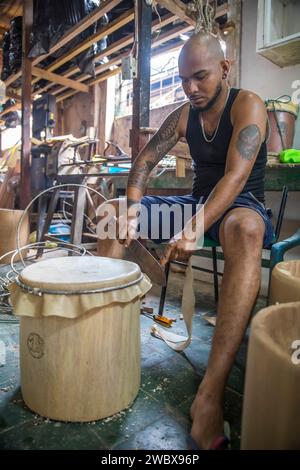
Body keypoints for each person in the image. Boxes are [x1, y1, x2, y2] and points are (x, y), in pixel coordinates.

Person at [99, 32, 273, 450]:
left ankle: (210, 395)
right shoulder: (183, 115)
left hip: (238, 205)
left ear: (225, 69)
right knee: (112, 214)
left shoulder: (248, 105)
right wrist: (134, 209)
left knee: (247, 230)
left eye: (200, 77)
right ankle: (102, 346)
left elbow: (234, 178)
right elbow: (142, 163)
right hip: (195, 204)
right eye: (183, 80)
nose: (191, 88)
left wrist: (194, 227)